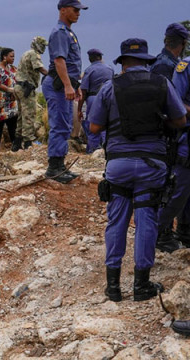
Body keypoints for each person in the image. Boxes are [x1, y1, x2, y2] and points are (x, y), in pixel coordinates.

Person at [89, 38, 187, 302]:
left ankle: (113, 287)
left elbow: (94, 128)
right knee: (146, 221)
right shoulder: (162, 83)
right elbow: (180, 120)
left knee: (116, 221)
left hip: (118, 166)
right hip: (151, 166)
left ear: (123, 63)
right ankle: (141, 286)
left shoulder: (110, 87)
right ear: (146, 61)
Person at [42, 0, 88, 184]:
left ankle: (60, 166)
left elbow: (70, 63)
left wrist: (74, 85)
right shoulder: (60, 33)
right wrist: (68, 85)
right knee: (60, 125)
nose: (78, 13)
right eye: (75, 9)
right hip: (58, 85)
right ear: (63, 10)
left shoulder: (68, 32)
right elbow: (60, 61)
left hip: (64, 84)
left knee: (65, 125)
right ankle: (54, 168)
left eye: (79, 10)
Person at [156, 53, 190, 253]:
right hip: (186, 138)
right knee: (179, 189)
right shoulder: (185, 66)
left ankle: (185, 232)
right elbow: (175, 102)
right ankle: (157, 232)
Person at [13, 36, 48, 151]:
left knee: (21, 115)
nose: (43, 48)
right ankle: (28, 142)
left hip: (19, 86)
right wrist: (52, 75)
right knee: (29, 114)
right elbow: (40, 68)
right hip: (26, 88)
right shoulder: (34, 54)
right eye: (42, 45)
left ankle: (17, 143)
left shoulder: (26, 53)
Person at [77, 49, 114, 154]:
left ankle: (93, 150)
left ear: (90, 58)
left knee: (92, 124)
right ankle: (107, 149)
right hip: (109, 97)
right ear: (100, 57)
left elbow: (83, 91)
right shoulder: (110, 69)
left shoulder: (89, 70)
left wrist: (79, 109)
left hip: (93, 98)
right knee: (106, 124)